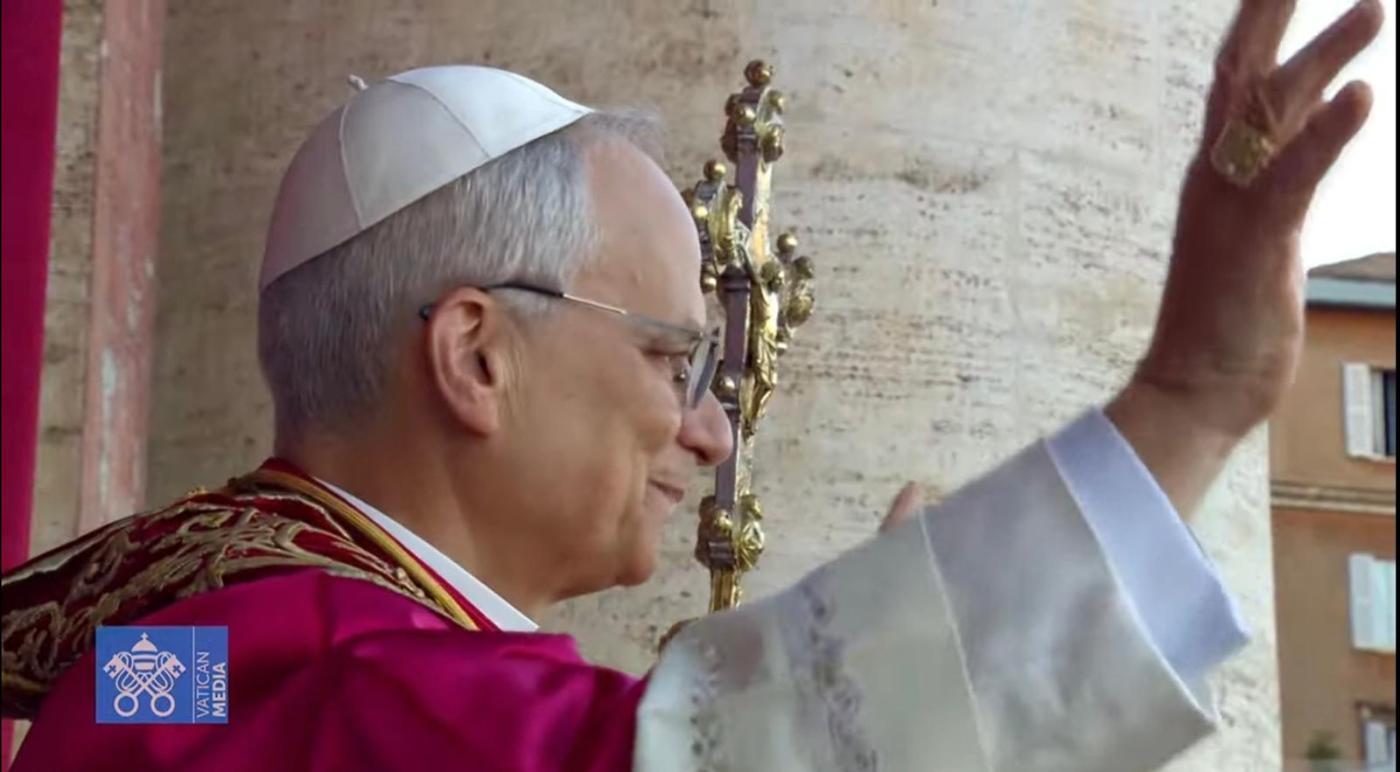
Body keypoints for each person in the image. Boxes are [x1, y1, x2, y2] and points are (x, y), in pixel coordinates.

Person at [1, 1, 1384, 769]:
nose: (714, 434)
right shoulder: (337, 693)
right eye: (674, 359)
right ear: (477, 355)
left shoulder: (175, 656)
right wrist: (1198, 393)